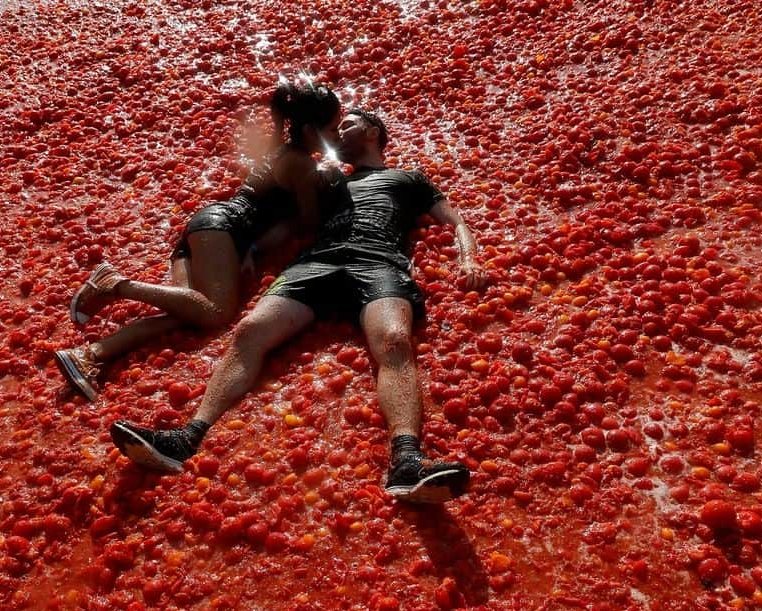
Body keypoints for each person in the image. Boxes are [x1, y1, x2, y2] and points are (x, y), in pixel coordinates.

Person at [109, 109, 484, 504]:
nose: (337, 134)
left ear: (373, 132)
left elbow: (454, 221)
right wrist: (253, 248)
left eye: (347, 126)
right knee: (249, 331)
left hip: (379, 261)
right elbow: (296, 224)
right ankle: (185, 439)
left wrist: (468, 258)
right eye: (334, 128)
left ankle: (406, 460)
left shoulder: (408, 178)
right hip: (315, 262)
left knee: (394, 340)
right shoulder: (329, 180)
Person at [54, 79, 342, 401]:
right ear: (308, 132)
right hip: (223, 231)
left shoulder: (281, 147)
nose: (338, 137)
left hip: (208, 228)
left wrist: (251, 248)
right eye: (333, 130)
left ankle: (90, 355)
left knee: (186, 314)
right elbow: (309, 223)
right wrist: (330, 186)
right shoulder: (303, 164)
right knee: (216, 312)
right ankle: (117, 285)